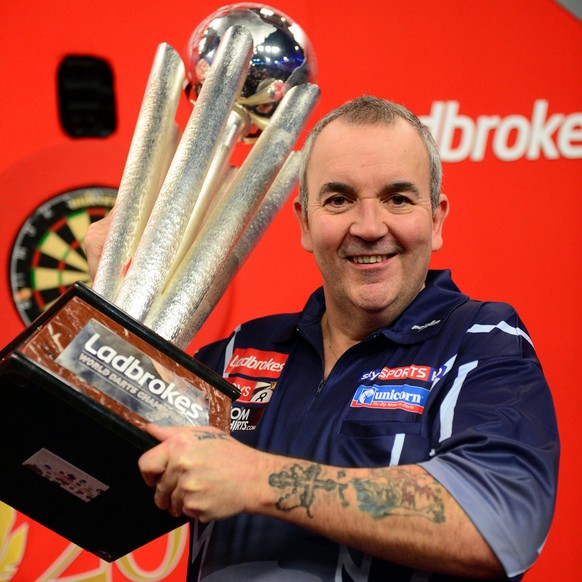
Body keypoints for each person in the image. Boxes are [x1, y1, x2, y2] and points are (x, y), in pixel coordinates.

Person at [85, 96, 559, 581]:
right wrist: (110, 307)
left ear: (436, 219)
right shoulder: (237, 354)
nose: (370, 227)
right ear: (305, 223)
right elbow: (85, 476)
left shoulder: (480, 339)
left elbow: (502, 520)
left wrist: (254, 479)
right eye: (339, 199)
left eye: (398, 198)